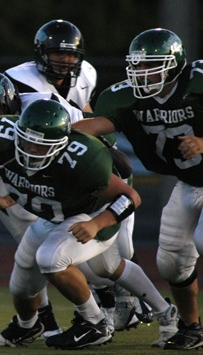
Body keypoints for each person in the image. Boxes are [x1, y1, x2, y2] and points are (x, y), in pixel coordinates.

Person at [0, 98, 178, 350]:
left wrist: (97, 224)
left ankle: (95, 323)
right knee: (25, 285)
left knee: (50, 259)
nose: (31, 150)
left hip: (91, 214)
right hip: (55, 217)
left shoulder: (82, 159)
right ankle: (166, 313)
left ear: (61, 144)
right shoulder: (4, 138)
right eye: (26, 142)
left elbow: (130, 197)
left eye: (40, 146)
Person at [5, 18, 151, 332]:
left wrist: (100, 145)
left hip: (82, 159)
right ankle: (106, 309)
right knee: (70, 251)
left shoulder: (86, 73)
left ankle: (138, 305)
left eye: (71, 55)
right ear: (41, 53)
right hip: (47, 166)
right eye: (58, 53)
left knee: (121, 249)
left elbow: (83, 111)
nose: (66, 60)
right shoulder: (20, 81)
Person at [72, 28, 203, 350]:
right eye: (138, 65)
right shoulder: (125, 97)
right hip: (189, 183)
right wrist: (57, 134)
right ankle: (192, 328)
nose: (142, 73)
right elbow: (96, 126)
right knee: (172, 263)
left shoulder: (198, 82)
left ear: (175, 64)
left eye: (151, 65)